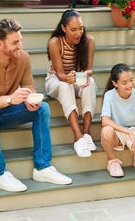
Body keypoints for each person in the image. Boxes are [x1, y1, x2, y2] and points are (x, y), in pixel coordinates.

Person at [0, 19, 72, 192]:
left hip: (0, 111)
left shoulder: (22, 57)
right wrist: (10, 99)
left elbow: (29, 88)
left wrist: (30, 100)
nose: (20, 45)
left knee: (43, 108)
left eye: (20, 40)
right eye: (15, 42)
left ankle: (43, 167)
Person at [45, 9, 98, 157]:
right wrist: (68, 78)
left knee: (90, 83)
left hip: (76, 77)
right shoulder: (55, 42)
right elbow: (60, 74)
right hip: (56, 79)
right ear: (63, 28)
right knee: (65, 85)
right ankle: (78, 137)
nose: (78, 33)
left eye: (80, 28)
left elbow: (88, 71)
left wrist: (80, 76)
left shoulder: (89, 41)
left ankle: (86, 134)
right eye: (73, 29)